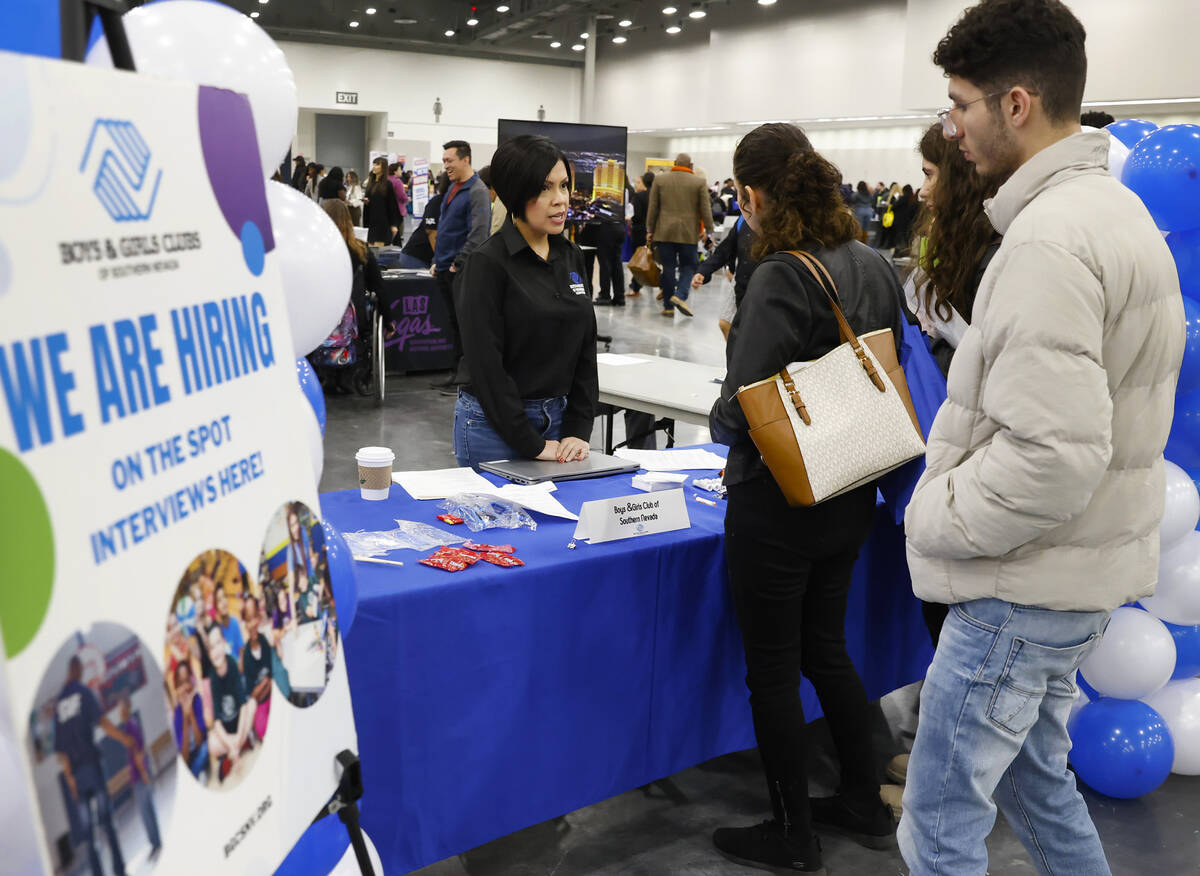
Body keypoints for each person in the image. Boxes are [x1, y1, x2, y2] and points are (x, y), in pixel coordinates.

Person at [899, 3, 1185, 874]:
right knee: (1036, 784)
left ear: (1015, 103)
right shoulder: (1112, 213)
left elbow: (1052, 457)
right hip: (1068, 575)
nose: (954, 128)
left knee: (939, 828)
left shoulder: (1050, 240)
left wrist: (937, 512)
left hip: (1021, 585)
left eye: (961, 105)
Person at [708, 123, 903, 874]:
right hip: (855, 483)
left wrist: (729, 398)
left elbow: (741, 405)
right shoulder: (871, 262)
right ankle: (860, 797)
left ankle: (791, 831)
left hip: (780, 501)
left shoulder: (780, 275)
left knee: (772, 665)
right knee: (827, 647)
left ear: (753, 194)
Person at [452, 133, 597, 469]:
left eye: (564, 186)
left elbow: (585, 348)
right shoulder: (487, 263)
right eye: (545, 188)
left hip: (560, 424)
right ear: (517, 191)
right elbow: (486, 364)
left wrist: (578, 428)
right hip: (491, 428)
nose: (560, 199)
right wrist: (529, 442)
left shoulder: (571, 255)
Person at [54, 654, 136, 876]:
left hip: (77, 777)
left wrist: (70, 780)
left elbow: (61, 753)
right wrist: (124, 738)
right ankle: (119, 870)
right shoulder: (83, 692)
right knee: (107, 822)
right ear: (79, 670)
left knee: (89, 835)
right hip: (92, 767)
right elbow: (104, 723)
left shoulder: (59, 703)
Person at [432, 140, 492, 391]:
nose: (446, 165)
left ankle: (466, 375)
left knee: (464, 323)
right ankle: (456, 371)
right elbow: (446, 227)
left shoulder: (476, 190)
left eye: (450, 160)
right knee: (453, 322)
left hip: (459, 270)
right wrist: (437, 261)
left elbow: (479, 232)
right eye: (444, 161)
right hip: (445, 267)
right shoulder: (453, 189)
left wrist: (459, 263)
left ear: (465, 159)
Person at [322, 198, 383, 383]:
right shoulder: (362, 250)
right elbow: (378, 287)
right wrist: (389, 322)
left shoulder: (315, 251)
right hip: (356, 322)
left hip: (319, 322)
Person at [647, 152, 714, 317]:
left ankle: (668, 306)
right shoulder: (699, 182)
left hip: (664, 232)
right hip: (688, 233)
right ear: (690, 165)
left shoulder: (660, 180)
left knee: (668, 267)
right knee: (689, 266)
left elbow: (653, 207)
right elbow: (705, 209)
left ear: (675, 163)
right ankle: (680, 295)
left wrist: (650, 229)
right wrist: (709, 231)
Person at [692, 215, 758, 341]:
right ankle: (738, 359)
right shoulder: (743, 219)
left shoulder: (780, 217)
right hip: (741, 282)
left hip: (766, 286)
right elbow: (725, 250)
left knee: (754, 332)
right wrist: (703, 272)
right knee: (726, 323)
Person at [202, 625, 255, 781]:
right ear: (209, 654)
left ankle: (233, 751)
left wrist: (237, 738)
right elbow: (217, 721)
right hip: (226, 729)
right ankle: (239, 746)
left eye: (218, 643)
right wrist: (232, 743)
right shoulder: (212, 677)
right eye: (212, 647)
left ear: (224, 643)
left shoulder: (232, 664)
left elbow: (243, 706)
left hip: (239, 722)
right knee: (212, 742)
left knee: (252, 705)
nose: (216, 650)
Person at [118, 693, 161, 857]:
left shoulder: (130, 726)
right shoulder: (132, 724)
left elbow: (138, 753)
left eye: (121, 708)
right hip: (139, 776)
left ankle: (155, 844)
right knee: (149, 811)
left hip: (140, 777)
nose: (119, 711)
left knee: (146, 813)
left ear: (127, 708)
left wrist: (143, 774)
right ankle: (156, 842)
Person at [398, 172, 449, 269]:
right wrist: (440, 259)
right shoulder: (438, 201)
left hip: (428, 256)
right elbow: (431, 231)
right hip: (416, 256)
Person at [240, 598, 274, 742]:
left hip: (273, 695)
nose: (253, 624)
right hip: (261, 702)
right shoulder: (246, 655)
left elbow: (273, 678)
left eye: (255, 618)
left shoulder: (264, 641)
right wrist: (265, 683)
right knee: (262, 732)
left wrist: (266, 684)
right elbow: (252, 694)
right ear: (245, 624)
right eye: (249, 620)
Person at [172, 661, 209, 781]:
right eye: (181, 683)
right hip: (189, 757)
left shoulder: (197, 700)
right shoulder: (177, 714)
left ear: (191, 682)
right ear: (176, 687)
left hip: (200, 750)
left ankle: (196, 774)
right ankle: (197, 773)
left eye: (187, 681)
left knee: (206, 748)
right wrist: (184, 715)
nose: (184, 688)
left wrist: (190, 713)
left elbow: (199, 743)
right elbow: (185, 756)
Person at [363, 156, 400, 247]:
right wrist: (367, 202)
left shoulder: (387, 184)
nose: (374, 167)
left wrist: (393, 224)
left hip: (382, 223)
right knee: (370, 250)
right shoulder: (371, 183)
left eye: (377, 164)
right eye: (374, 164)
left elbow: (392, 205)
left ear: (383, 167)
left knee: (378, 250)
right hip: (371, 221)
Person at [627, 171, 653, 298]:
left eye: (638, 182)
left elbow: (636, 216)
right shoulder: (657, 195)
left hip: (639, 232)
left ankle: (636, 286)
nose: (635, 185)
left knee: (638, 261)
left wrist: (630, 220)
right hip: (654, 232)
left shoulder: (639, 197)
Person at [212, 586, 245, 662]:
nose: (223, 602)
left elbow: (241, 649)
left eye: (224, 597)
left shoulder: (235, 622)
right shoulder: (217, 630)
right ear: (216, 607)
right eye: (219, 600)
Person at [388, 162, 409, 236]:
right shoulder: (397, 181)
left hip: (387, 210)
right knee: (399, 234)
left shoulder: (386, 180)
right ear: (395, 171)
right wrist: (407, 198)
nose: (401, 171)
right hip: (397, 210)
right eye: (400, 170)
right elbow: (402, 196)